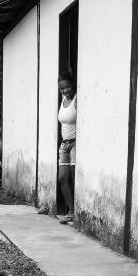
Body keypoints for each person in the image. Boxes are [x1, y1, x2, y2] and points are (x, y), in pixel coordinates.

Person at [57, 71, 77, 224]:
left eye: (67, 87)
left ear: (73, 85)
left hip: (76, 143)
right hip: (64, 145)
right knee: (63, 178)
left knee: (74, 177)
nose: (65, 91)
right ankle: (72, 211)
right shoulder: (63, 100)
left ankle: (78, 212)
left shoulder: (77, 99)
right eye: (62, 88)